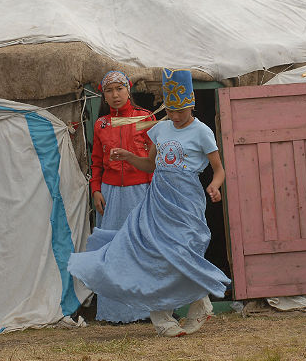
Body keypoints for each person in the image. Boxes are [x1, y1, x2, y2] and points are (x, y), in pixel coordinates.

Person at [69, 68, 231, 337]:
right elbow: (150, 164)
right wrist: (129, 157)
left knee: (185, 252)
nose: (175, 116)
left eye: (181, 111)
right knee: (155, 254)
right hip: (157, 200)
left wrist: (214, 186)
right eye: (171, 110)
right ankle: (161, 317)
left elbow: (219, 169)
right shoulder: (160, 128)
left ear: (191, 104)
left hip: (187, 201)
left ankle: (200, 303)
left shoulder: (202, 132)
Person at [89, 70, 155, 323]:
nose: (115, 95)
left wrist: (155, 193)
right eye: (109, 90)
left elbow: (155, 158)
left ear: (129, 90)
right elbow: (96, 161)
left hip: (141, 191)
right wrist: (96, 189)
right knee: (113, 250)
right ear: (104, 95)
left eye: (119, 89)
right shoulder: (101, 124)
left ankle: (147, 310)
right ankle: (115, 312)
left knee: (143, 247)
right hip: (111, 193)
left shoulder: (145, 118)